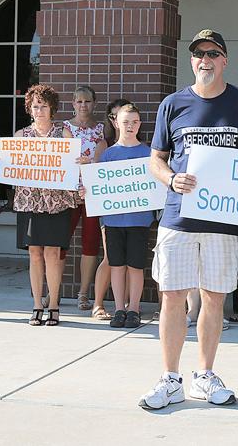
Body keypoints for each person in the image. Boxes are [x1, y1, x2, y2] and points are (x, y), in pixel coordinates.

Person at [138, 29, 238, 409]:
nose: (204, 60)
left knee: (215, 298)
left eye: (212, 53)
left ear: (224, 60)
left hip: (223, 222)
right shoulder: (172, 104)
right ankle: (170, 379)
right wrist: (171, 178)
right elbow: (155, 158)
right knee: (172, 297)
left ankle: (204, 376)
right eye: (198, 54)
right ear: (191, 61)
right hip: (178, 218)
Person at [11, 85, 85, 327]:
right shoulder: (21, 136)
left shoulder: (63, 134)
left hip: (57, 202)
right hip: (30, 201)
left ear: (52, 108)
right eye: (35, 106)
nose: (39, 110)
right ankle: (36, 304)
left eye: (43, 105)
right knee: (34, 254)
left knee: (52, 254)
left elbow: (74, 167)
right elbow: (11, 168)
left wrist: (81, 164)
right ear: (29, 109)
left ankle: (53, 304)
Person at [82, 104, 154, 329]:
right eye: (125, 122)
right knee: (117, 265)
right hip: (112, 221)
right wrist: (88, 190)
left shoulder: (148, 154)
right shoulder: (108, 155)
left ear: (139, 124)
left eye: (134, 122)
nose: (130, 126)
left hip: (139, 220)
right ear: (116, 123)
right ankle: (119, 308)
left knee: (135, 266)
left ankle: (134, 308)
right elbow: (98, 185)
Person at [62, 85, 106, 311]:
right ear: (72, 103)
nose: (83, 105)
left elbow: (102, 161)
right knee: (60, 242)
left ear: (94, 103)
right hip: (67, 194)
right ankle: (52, 290)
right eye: (78, 101)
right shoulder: (64, 128)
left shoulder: (101, 128)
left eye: (87, 101)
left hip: (92, 194)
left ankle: (83, 294)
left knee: (90, 244)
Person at [90, 98, 133, 321]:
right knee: (110, 258)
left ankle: (125, 305)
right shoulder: (104, 145)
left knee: (129, 261)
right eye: (115, 116)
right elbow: (96, 178)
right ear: (112, 120)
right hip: (111, 211)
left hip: (133, 211)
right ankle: (98, 304)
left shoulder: (139, 145)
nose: (121, 121)